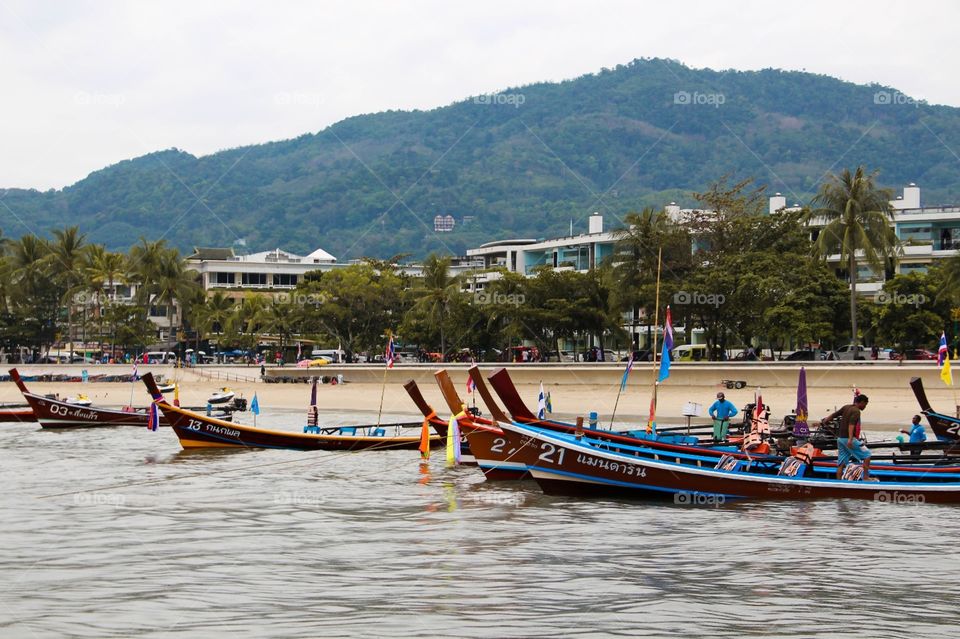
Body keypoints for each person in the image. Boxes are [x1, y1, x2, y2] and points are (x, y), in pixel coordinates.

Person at [821, 394, 873, 480]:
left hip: (840, 439)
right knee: (867, 455)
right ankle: (866, 478)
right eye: (865, 404)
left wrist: (825, 421)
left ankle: (839, 481)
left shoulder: (846, 407)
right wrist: (850, 439)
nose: (865, 407)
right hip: (848, 439)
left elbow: (834, 415)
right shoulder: (856, 411)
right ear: (861, 402)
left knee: (841, 463)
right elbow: (851, 425)